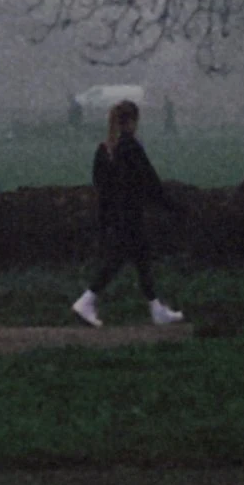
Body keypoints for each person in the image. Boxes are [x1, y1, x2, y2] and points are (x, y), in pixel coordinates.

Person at [74, 97, 186, 328]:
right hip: (131, 213)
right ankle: (87, 299)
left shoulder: (105, 150)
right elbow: (149, 182)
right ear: (133, 121)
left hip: (114, 215)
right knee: (119, 260)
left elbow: (100, 185)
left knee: (141, 258)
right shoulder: (131, 148)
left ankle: (156, 308)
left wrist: (105, 218)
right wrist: (174, 208)